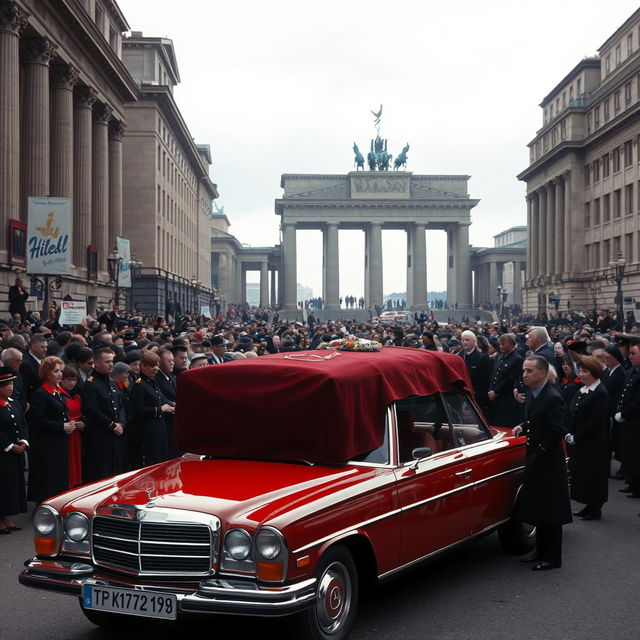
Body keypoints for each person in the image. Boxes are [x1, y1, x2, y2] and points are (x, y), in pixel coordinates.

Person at [513, 355, 572, 571]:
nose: (525, 375)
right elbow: (536, 419)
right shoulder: (532, 394)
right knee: (538, 505)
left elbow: (557, 429)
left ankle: (552, 557)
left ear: (542, 373)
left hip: (548, 461)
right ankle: (539, 551)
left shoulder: (552, 397)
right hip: (536, 458)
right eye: (523, 371)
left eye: (529, 371)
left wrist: (540, 452)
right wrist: (524, 425)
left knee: (551, 509)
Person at [565, 356, 610, 520]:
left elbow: (596, 421)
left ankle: (595, 508)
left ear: (594, 373)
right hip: (581, 441)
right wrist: (569, 432)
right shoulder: (582, 390)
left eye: (585, 371)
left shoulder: (600, 392)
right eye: (581, 370)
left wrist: (577, 436)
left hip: (594, 442)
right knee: (584, 474)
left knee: (594, 475)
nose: (581, 374)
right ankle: (589, 505)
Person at [27, 356, 75, 505]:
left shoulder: (57, 392)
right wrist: (61, 426)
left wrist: (68, 423)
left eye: (61, 371)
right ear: (47, 373)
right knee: (48, 474)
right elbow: (38, 420)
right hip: (46, 442)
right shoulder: (41, 394)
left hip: (59, 439)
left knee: (59, 473)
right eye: (56, 371)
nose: (60, 374)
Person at [81, 347, 128, 483]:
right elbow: (93, 410)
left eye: (112, 361)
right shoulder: (91, 384)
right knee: (102, 475)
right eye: (107, 362)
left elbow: (120, 406)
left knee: (117, 473)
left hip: (116, 435)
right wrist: (112, 425)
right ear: (96, 363)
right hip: (101, 436)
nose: (111, 365)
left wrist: (122, 423)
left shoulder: (112, 383)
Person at [128, 350, 174, 467]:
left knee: (161, 459)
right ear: (142, 366)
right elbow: (137, 410)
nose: (156, 368)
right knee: (151, 461)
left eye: (157, 365)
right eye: (152, 365)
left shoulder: (153, 382)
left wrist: (174, 406)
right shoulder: (139, 384)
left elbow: (163, 400)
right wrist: (160, 409)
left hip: (159, 428)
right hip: (147, 430)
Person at [0, 366, 28, 534]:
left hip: (16, 451)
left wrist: (24, 441)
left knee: (12, 485)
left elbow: (23, 424)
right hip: (3, 452)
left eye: (11, 383)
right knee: (2, 485)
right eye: (5, 385)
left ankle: (5, 517)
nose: (10, 387)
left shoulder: (13, 402)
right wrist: (9, 445)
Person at [614, 341, 640, 498]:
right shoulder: (631, 371)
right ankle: (632, 483)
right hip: (627, 420)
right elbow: (623, 394)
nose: (629, 356)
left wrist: (625, 414)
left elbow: (638, 401)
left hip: (636, 420)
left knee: (636, 455)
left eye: (633, 354)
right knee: (629, 453)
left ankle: (637, 486)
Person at [488, 333, 524, 427]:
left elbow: (510, 379)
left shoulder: (517, 359)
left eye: (503, 344)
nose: (500, 346)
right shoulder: (500, 358)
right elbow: (494, 375)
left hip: (507, 398)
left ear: (511, 344)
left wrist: (496, 391)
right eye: (500, 344)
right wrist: (491, 389)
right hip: (496, 398)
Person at [60, 365, 84, 489]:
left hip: (77, 433)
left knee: (76, 459)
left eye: (74, 380)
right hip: (66, 432)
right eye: (68, 379)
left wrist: (82, 423)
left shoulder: (78, 396)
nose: (72, 383)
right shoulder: (59, 395)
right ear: (62, 379)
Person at [155, 348, 178, 457]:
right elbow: (161, 398)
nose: (172, 363)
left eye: (173, 360)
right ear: (159, 362)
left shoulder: (171, 377)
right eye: (169, 361)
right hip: (166, 420)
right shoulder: (156, 378)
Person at [20, 334, 48, 401]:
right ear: (33, 347)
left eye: (46, 347)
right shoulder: (25, 364)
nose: (45, 349)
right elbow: (26, 388)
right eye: (42, 347)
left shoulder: (45, 359)